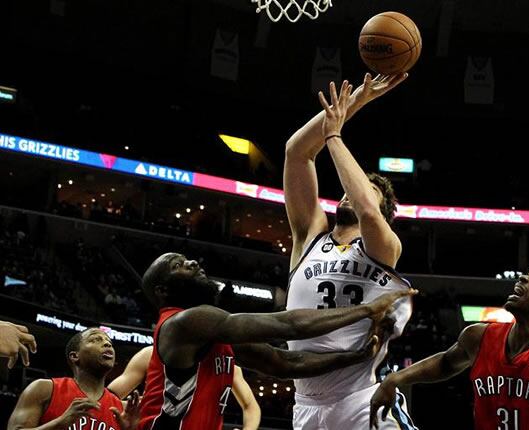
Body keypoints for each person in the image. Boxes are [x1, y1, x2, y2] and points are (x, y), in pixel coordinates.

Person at [370, 166, 529, 430]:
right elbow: (446, 362)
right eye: (527, 274)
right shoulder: (480, 337)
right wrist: (395, 379)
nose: (523, 278)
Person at [137, 252, 415, 430]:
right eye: (178, 265)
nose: (193, 261)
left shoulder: (207, 331)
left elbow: (282, 362)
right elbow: (287, 325)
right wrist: (367, 309)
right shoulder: (184, 323)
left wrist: (353, 358)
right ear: (163, 290)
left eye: (186, 258)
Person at [284, 74, 416, 429]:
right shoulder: (309, 236)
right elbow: (297, 152)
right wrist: (351, 104)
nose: (349, 191)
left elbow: (369, 212)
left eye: (368, 189)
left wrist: (334, 136)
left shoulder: (384, 246)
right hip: (305, 402)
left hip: (359, 400)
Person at [7, 328, 140, 430]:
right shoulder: (44, 389)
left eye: (109, 342)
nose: (107, 344)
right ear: (74, 356)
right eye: (95, 339)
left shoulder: (122, 409)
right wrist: (60, 422)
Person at [108, 346, 261, 430]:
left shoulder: (230, 368)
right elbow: (107, 396)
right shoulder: (151, 354)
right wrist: (137, 406)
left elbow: (250, 406)